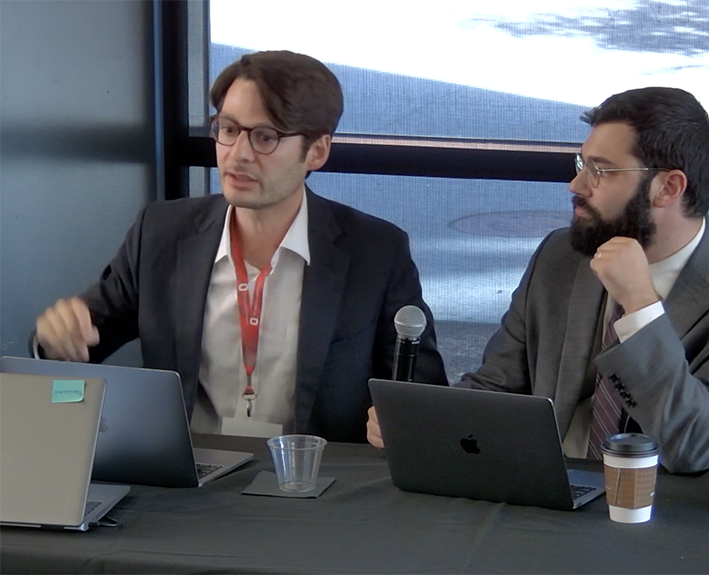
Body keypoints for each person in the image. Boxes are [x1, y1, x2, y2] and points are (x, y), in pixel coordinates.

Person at [368, 87, 709, 474]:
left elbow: (697, 448)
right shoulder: (562, 256)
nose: (575, 184)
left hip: (661, 523)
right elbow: (497, 388)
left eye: (601, 170)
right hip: (545, 497)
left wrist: (641, 306)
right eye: (582, 163)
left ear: (668, 187)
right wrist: (420, 421)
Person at [33, 50, 448, 443]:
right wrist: (56, 339)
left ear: (316, 151)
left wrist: (404, 422)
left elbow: (423, 393)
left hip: (317, 485)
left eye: (265, 137)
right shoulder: (162, 233)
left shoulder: (375, 251)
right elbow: (85, 335)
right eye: (228, 130)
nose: (238, 154)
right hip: (189, 480)